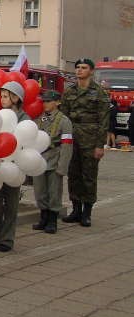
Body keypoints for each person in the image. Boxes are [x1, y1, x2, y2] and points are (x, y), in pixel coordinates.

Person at [60, 58, 110, 227]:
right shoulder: (69, 92)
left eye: (84, 67)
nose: (80, 70)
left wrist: (99, 145)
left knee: (88, 176)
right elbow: (63, 118)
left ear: (91, 71)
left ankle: (87, 212)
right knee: (73, 175)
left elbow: (104, 120)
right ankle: (76, 210)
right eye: (78, 68)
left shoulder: (99, 92)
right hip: (72, 138)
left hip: (90, 139)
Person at [0, 81, 30, 252]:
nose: (2, 99)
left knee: (11, 204)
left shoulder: (24, 119)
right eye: (1, 96)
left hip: (15, 167)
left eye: (6, 96)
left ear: (15, 98)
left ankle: (6, 239)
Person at [32, 90, 73, 234]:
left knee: (54, 192)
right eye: (44, 101)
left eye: (48, 101)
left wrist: (63, 166)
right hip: (39, 160)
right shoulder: (39, 119)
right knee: (39, 191)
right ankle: (43, 218)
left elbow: (67, 145)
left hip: (54, 158)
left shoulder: (64, 121)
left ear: (58, 102)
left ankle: (52, 220)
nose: (45, 104)